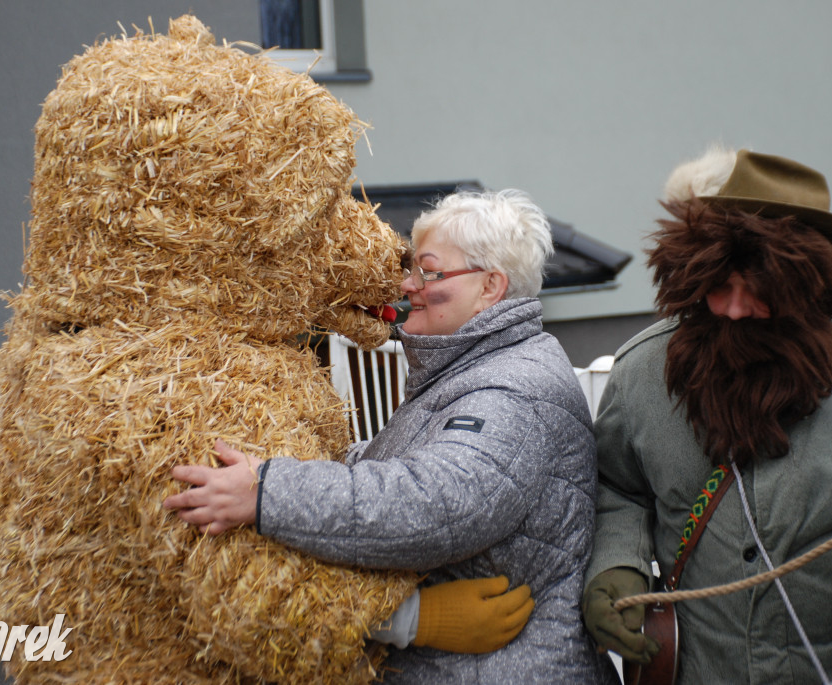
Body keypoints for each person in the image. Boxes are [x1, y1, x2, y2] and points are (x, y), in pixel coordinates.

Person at [166, 189, 621, 683]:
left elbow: (434, 502)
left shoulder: (516, 391)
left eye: (429, 271)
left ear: (491, 286)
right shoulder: (475, 364)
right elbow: (400, 461)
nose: (409, 284)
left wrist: (267, 491)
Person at [582, 146, 832, 683]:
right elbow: (618, 490)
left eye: (762, 290)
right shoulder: (641, 374)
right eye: (719, 285)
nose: (735, 309)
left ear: (812, 287)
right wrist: (616, 565)